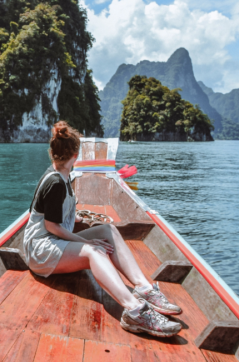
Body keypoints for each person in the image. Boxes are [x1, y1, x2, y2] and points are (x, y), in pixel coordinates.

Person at [23, 121, 182, 337]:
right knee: (93, 251)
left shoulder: (61, 173)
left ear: (53, 153)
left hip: (52, 241)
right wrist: (85, 242)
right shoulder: (55, 183)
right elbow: (51, 225)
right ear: (76, 154)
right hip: (40, 250)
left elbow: (50, 213)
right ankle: (134, 310)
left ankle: (143, 288)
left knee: (107, 230)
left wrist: (74, 217)